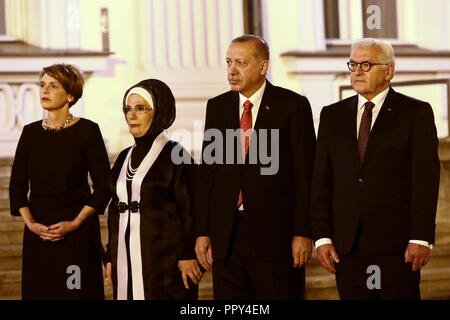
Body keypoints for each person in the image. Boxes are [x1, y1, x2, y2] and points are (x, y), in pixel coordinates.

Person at [311, 38, 440, 300]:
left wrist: (420, 237)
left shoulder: (416, 113)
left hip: (397, 245)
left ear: (389, 71)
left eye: (366, 65)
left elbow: (425, 180)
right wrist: (322, 237)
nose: (357, 71)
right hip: (346, 245)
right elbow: (321, 181)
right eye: (353, 64)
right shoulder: (331, 115)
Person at [195, 35, 316, 299]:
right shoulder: (217, 106)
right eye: (228, 62)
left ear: (263, 67)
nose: (232, 71)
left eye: (241, 62)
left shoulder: (292, 106)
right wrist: (203, 231)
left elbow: (305, 176)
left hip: (276, 238)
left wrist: (303, 233)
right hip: (227, 237)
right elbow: (208, 174)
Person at [9, 63, 110, 299]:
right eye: (42, 85)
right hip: (39, 235)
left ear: (71, 94)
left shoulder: (87, 131)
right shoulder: (30, 133)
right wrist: (32, 224)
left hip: (78, 234)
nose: (45, 90)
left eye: (53, 86)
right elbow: (17, 186)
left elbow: (104, 186)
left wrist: (75, 223)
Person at [105, 79, 202, 300]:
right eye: (128, 109)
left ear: (158, 112)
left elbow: (191, 209)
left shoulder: (176, 155)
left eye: (141, 108)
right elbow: (114, 211)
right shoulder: (123, 157)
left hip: (166, 263)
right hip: (126, 260)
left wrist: (188, 254)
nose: (132, 115)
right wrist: (111, 255)